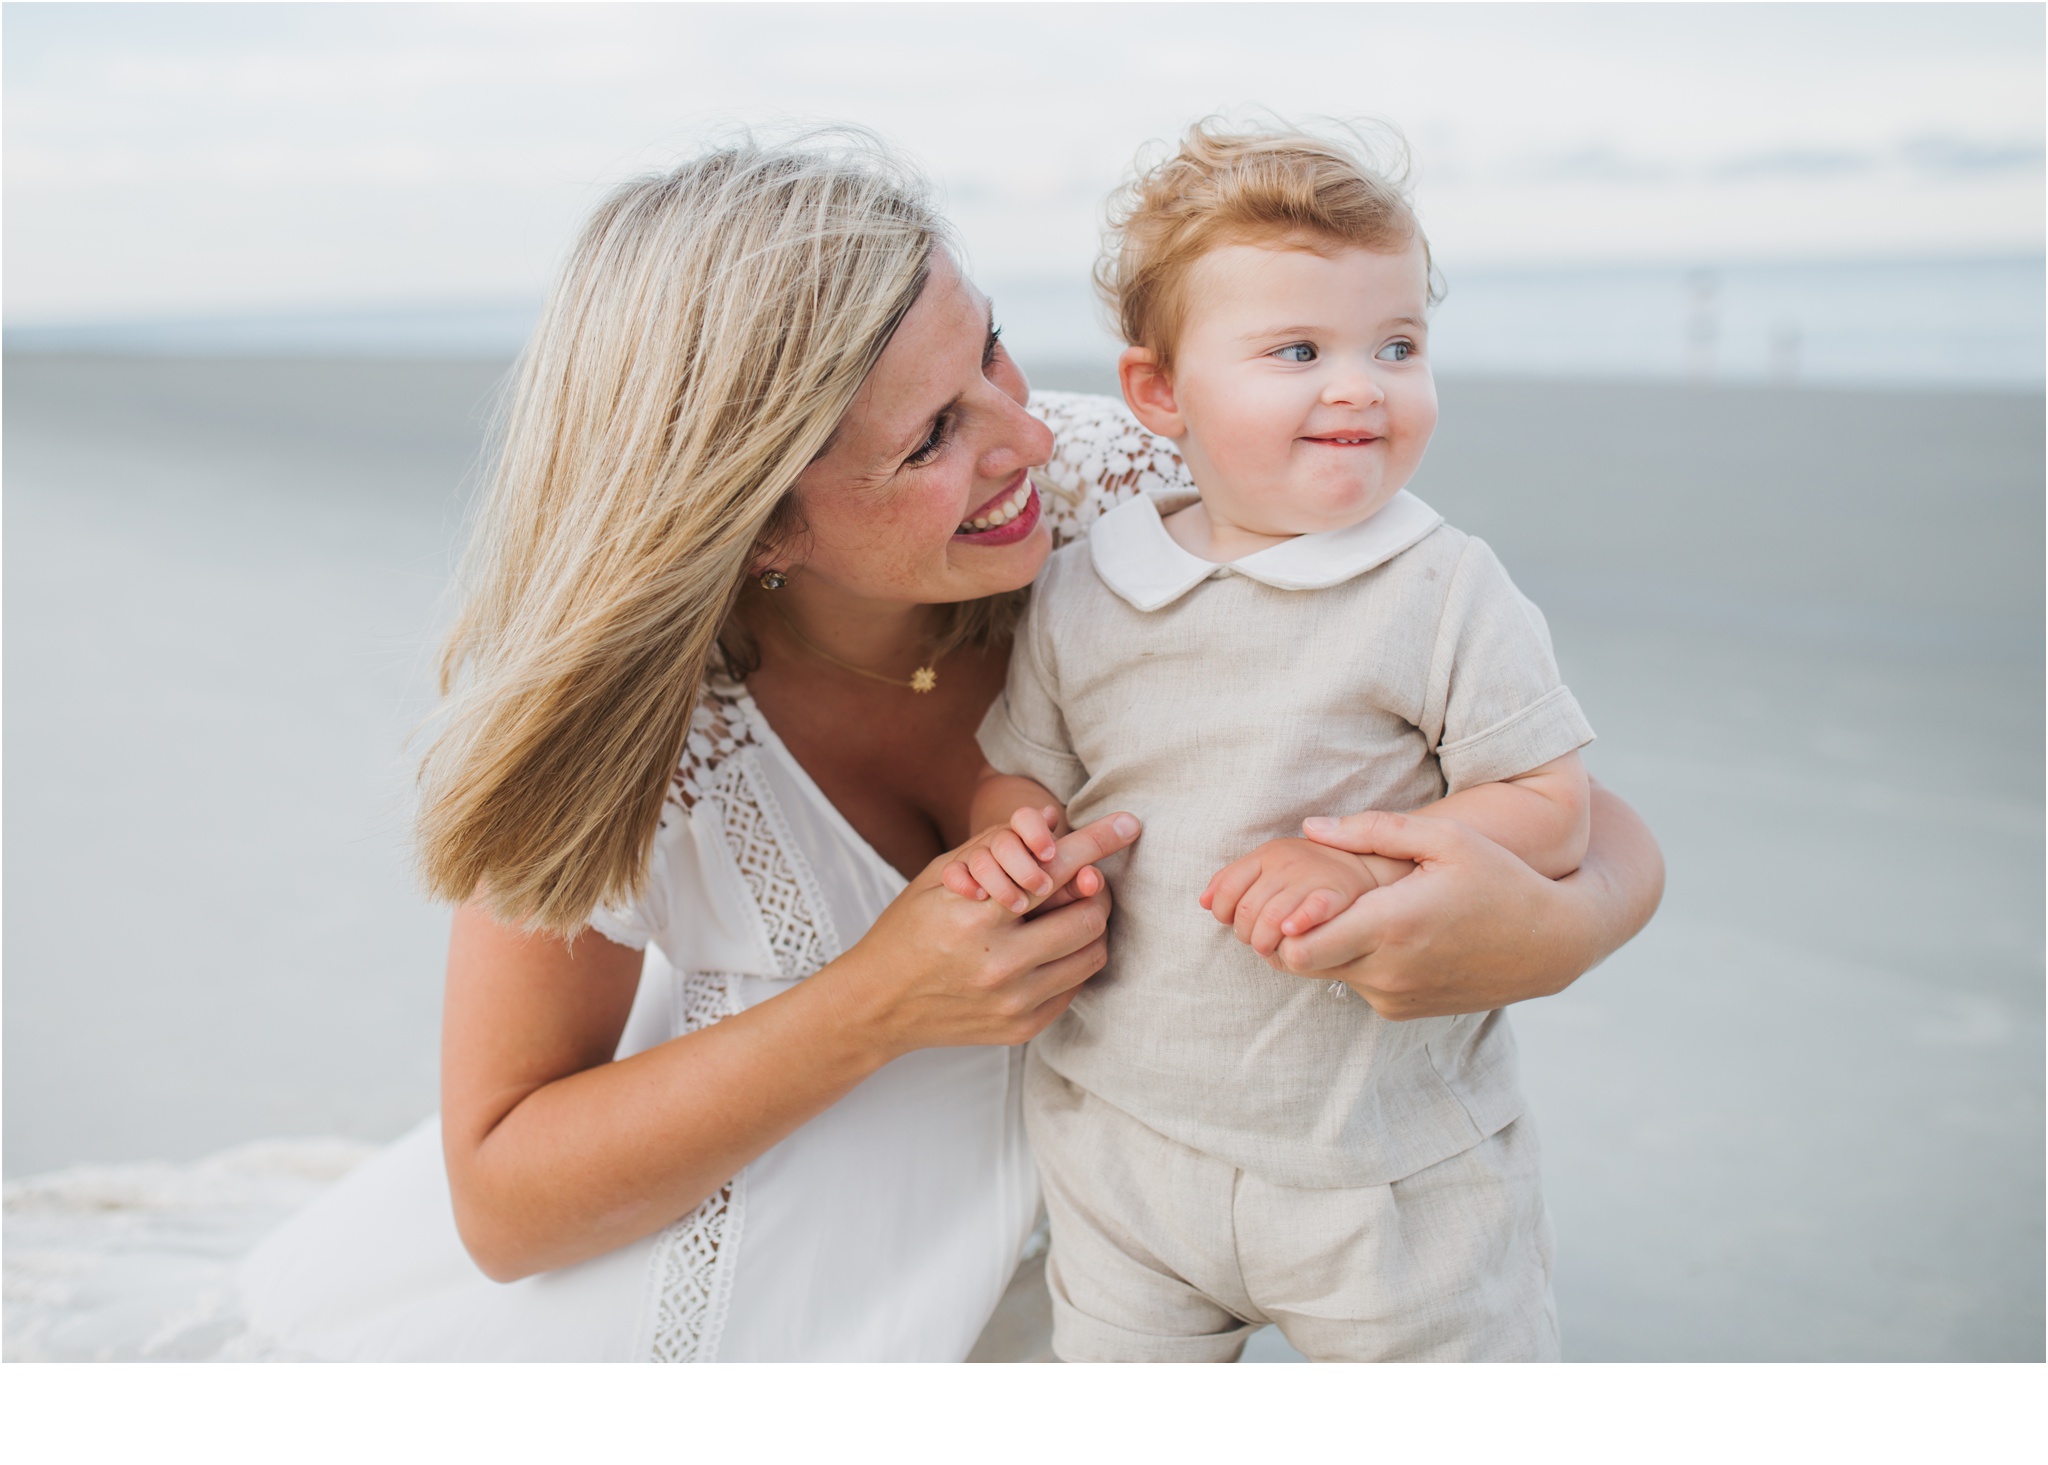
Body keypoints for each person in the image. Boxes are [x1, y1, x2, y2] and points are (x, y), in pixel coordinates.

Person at [236, 131, 1664, 1362]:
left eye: (989, 346)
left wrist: (1546, 932)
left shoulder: (1144, 486)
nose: (1027, 442)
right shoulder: (625, 720)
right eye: (931, 436)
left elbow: (1568, 801)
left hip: (1118, 1286)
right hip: (736, 1315)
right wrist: (880, 998)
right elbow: (501, 1201)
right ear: (756, 523)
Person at [959, 121, 1612, 1361]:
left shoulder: (1439, 584)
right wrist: (1013, 843)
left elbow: (1547, 801)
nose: (1359, 383)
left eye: (1397, 345)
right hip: (1123, 1141)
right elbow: (1019, 773)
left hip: (1384, 1166)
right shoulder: (1090, 582)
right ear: (1158, 394)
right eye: (1297, 350)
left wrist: (1378, 861)